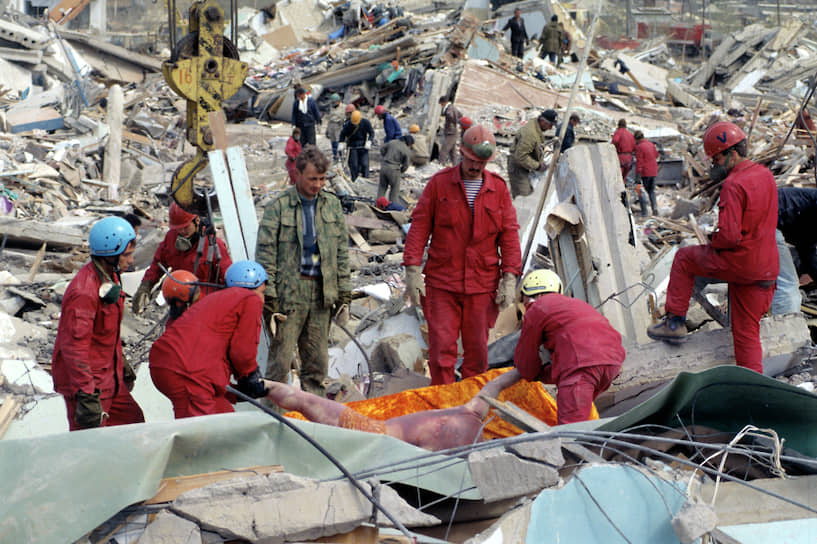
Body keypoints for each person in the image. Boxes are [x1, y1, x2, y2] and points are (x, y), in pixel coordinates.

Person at [647, 122, 778, 374]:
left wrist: (713, 239)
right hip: (767, 268)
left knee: (685, 258)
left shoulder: (734, 184)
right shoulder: (765, 175)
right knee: (746, 335)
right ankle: (754, 391)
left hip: (742, 264)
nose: (715, 164)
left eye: (717, 158)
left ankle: (674, 324)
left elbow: (728, 238)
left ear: (733, 152)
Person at [403, 125, 522, 385]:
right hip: (442, 283)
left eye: (481, 163)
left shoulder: (498, 190)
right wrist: (412, 270)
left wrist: (510, 277)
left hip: (482, 285)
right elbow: (420, 226)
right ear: (461, 153)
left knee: (477, 354)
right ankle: (442, 407)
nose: (476, 167)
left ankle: (470, 407)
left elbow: (510, 236)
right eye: (471, 160)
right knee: (441, 352)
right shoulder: (440, 184)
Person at [256, 145, 351, 396]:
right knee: (279, 368)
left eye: (322, 179)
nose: (318, 185)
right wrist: (271, 297)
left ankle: (313, 426)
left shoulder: (332, 206)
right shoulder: (278, 207)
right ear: (297, 174)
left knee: (317, 368)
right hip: (289, 297)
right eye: (312, 179)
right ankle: (273, 422)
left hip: (321, 294)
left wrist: (344, 293)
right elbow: (266, 254)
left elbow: (341, 251)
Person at [264, 367, 527, 451]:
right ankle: (260, 387)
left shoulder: (472, 411)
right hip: (370, 433)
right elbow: (497, 384)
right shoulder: (471, 418)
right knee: (305, 403)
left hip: (375, 435)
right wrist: (525, 368)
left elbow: (496, 383)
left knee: (305, 401)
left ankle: (261, 386)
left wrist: (522, 369)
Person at [52, 216, 145, 431]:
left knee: (134, 425)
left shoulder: (110, 277)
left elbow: (106, 334)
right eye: (127, 255)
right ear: (110, 254)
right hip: (89, 386)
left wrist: (121, 365)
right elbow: (74, 348)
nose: (130, 261)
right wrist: (86, 395)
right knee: (89, 446)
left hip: (108, 377)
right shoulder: (84, 292)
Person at [149, 261, 272, 418]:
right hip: (186, 373)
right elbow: (242, 351)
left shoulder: (216, 303)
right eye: (262, 292)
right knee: (205, 434)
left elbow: (209, 357)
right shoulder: (249, 299)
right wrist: (251, 376)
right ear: (253, 287)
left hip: (175, 366)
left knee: (224, 418)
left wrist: (235, 392)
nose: (262, 299)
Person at [513, 269, 625, 425]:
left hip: (582, 368)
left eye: (524, 300)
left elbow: (526, 364)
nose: (525, 305)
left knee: (570, 432)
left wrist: (532, 375)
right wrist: (546, 374)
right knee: (583, 421)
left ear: (536, 294)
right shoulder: (576, 305)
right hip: (612, 365)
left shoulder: (537, 308)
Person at [132, 202, 232, 313]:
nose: (182, 232)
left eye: (185, 227)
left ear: (197, 220)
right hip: (178, 303)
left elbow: (227, 276)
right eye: (178, 228)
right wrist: (145, 286)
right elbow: (158, 264)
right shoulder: (171, 237)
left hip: (205, 306)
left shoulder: (213, 245)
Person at [771, 187, 817, 315]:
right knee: (788, 286)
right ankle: (786, 330)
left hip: (769, 217)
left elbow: (806, 244)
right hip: (764, 218)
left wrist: (812, 272)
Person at [507, 109, 557, 198]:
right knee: (523, 196)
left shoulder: (536, 129)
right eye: (550, 125)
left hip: (524, 166)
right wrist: (538, 166)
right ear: (543, 121)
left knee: (523, 193)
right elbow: (521, 157)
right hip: (518, 168)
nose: (550, 128)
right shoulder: (530, 133)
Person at [338, 109, 374, 181]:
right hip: (352, 146)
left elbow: (371, 132)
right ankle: (354, 180)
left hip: (363, 146)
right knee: (354, 165)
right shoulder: (348, 124)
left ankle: (366, 179)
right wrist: (341, 143)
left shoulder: (365, 122)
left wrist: (369, 141)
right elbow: (342, 134)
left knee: (365, 164)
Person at [378, 134, 412, 204]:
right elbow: (406, 165)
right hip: (394, 169)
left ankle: (378, 205)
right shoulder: (405, 149)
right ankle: (392, 208)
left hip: (384, 167)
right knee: (394, 191)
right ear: (409, 143)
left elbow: (382, 149)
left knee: (382, 188)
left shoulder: (392, 142)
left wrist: (385, 157)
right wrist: (401, 171)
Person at [634, 130, 659, 216]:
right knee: (651, 191)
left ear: (636, 139)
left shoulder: (639, 147)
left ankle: (644, 212)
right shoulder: (651, 144)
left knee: (640, 191)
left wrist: (637, 175)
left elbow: (639, 162)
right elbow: (656, 155)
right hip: (654, 170)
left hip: (645, 172)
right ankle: (654, 208)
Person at [439, 96, 462, 166]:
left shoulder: (449, 109)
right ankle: (455, 165)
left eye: (441, 104)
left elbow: (451, 116)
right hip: (453, 131)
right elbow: (460, 115)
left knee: (444, 149)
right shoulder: (453, 108)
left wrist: (452, 122)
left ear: (444, 102)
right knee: (452, 151)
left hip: (450, 132)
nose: (441, 106)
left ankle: (440, 163)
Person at [325, 94, 346, 162]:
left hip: (339, 125)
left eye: (335, 102)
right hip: (331, 125)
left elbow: (346, 117)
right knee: (333, 142)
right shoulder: (331, 108)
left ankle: (341, 156)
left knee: (339, 142)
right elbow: (329, 118)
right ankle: (335, 157)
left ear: (338, 101)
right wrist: (327, 130)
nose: (334, 103)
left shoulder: (344, 107)